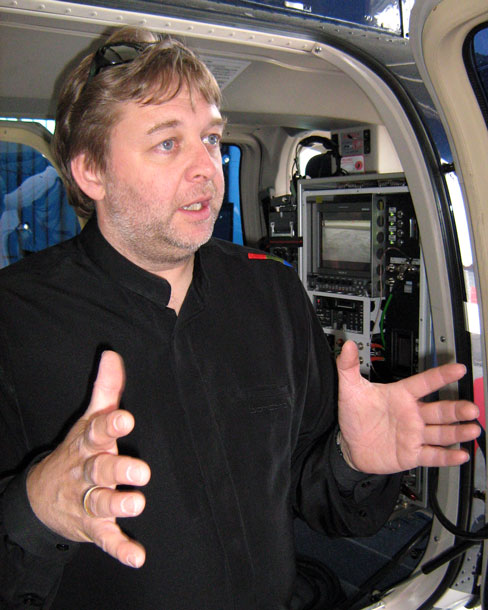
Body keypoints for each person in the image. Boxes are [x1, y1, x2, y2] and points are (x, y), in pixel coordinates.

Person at [0, 26, 480, 610]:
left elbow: (314, 494)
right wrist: (35, 508)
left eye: (210, 137)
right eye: (167, 143)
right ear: (91, 173)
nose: (206, 166)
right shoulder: (14, 320)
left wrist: (354, 461)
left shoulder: (271, 292)